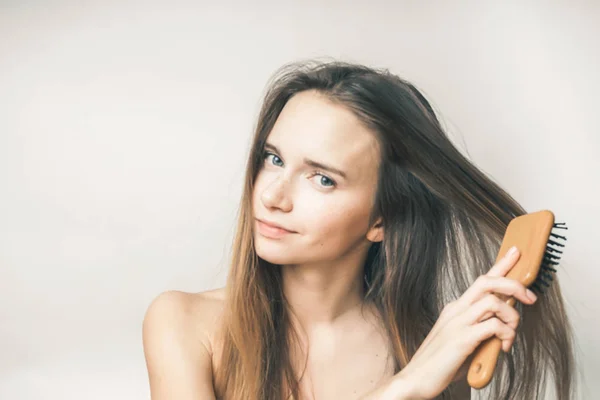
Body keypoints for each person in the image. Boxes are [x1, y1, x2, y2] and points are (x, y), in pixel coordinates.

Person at [142, 60, 577, 399]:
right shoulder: (184, 324)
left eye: (322, 178)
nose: (273, 196)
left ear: (381, 220)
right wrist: (402, 388)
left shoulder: (425, 349)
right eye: (274, 159)